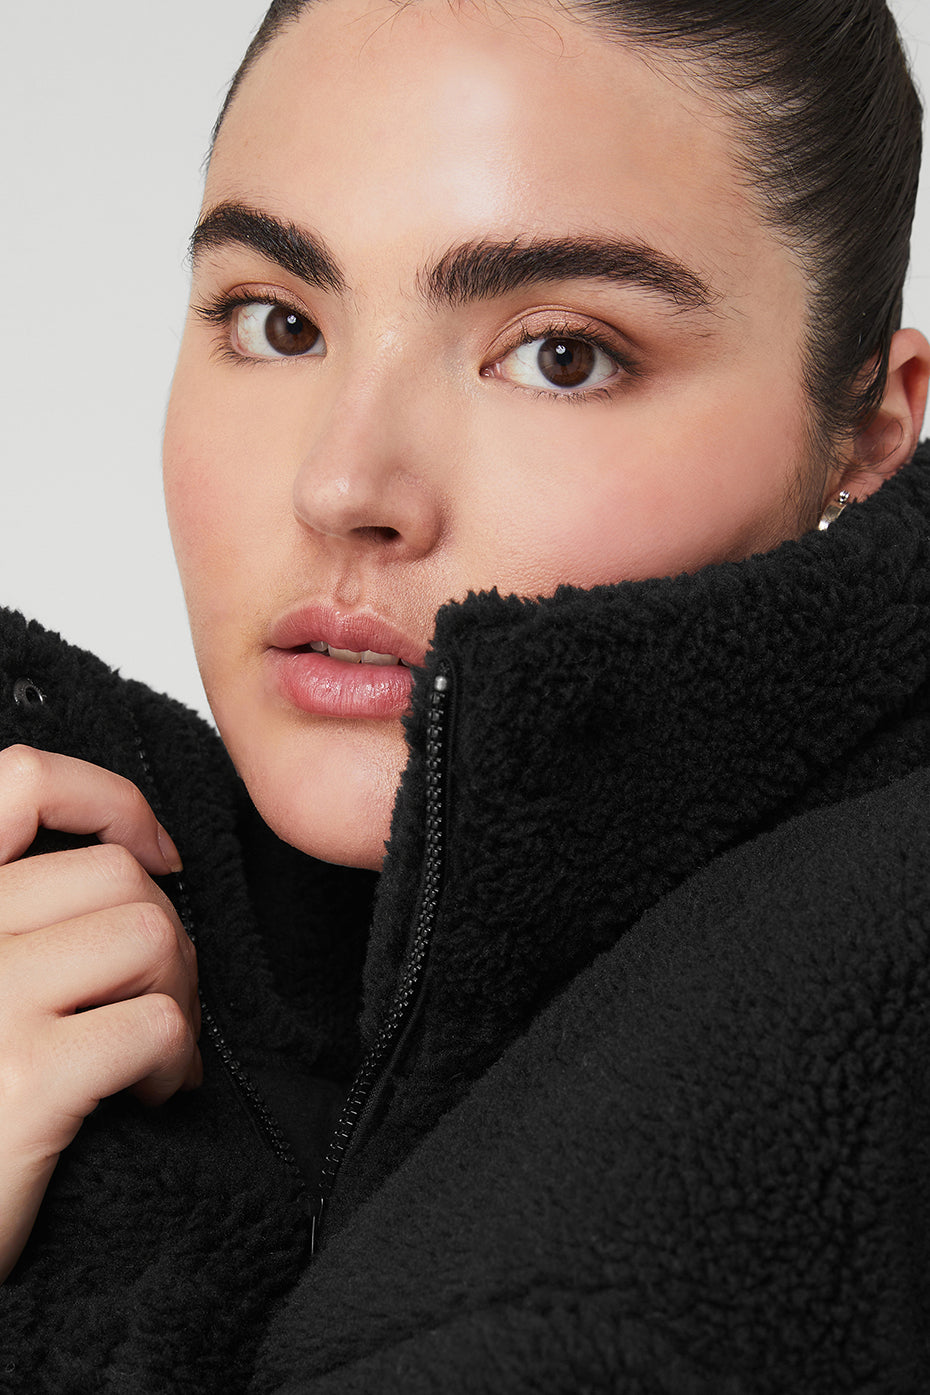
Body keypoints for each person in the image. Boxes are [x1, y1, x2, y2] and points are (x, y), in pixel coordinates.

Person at [2, 0, 930, 1388]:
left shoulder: (862, 996)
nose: (343, 485)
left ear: (866, 434)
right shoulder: (88, 923)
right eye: (278, 322)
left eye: (561, 355)